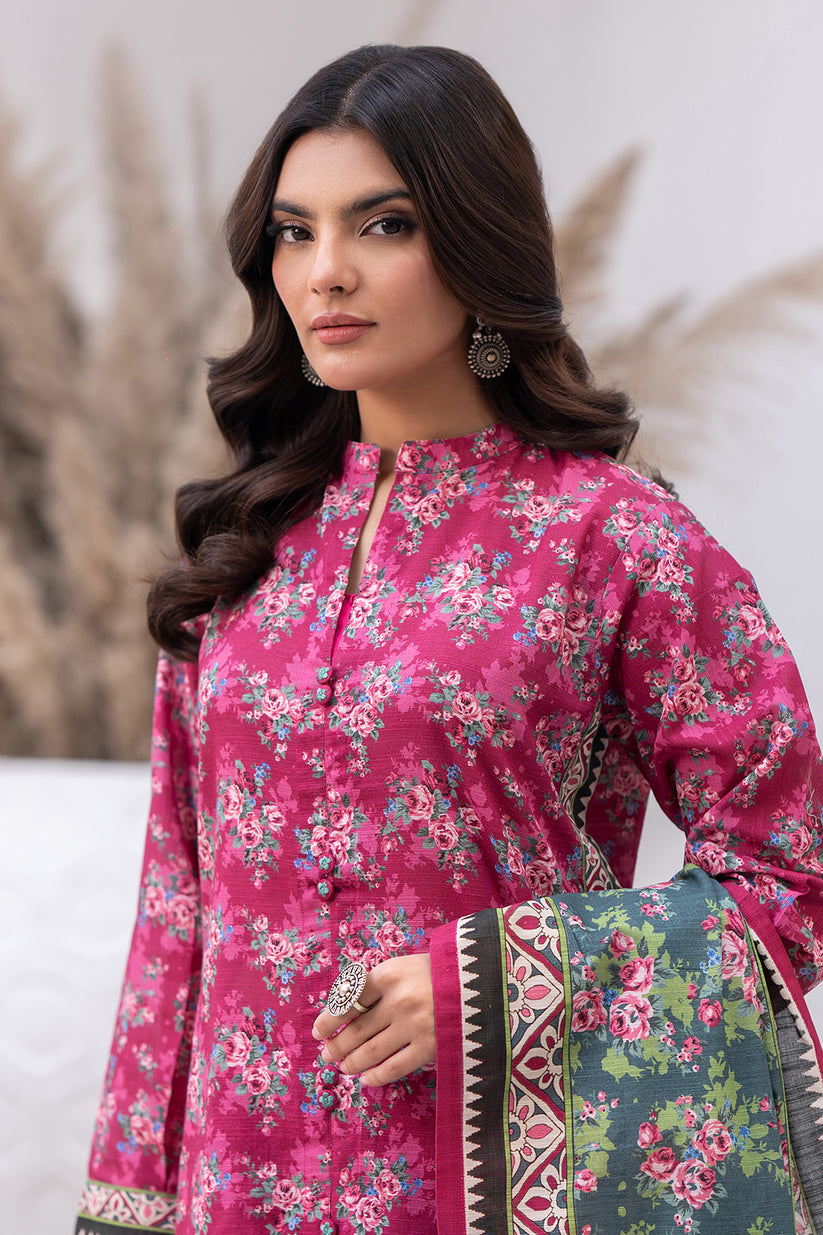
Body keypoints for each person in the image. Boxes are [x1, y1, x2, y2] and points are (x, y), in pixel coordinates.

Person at [75, 43, 823, 1235]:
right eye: (292, 230)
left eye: (382, 225)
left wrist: (501, 982)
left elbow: (790, 868)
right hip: (240, 1186)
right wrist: (125, 1206)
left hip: (486, 1187)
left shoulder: (611, 538)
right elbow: (179, 910)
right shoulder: (245, 547)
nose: (324, 274)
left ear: (477, 242)